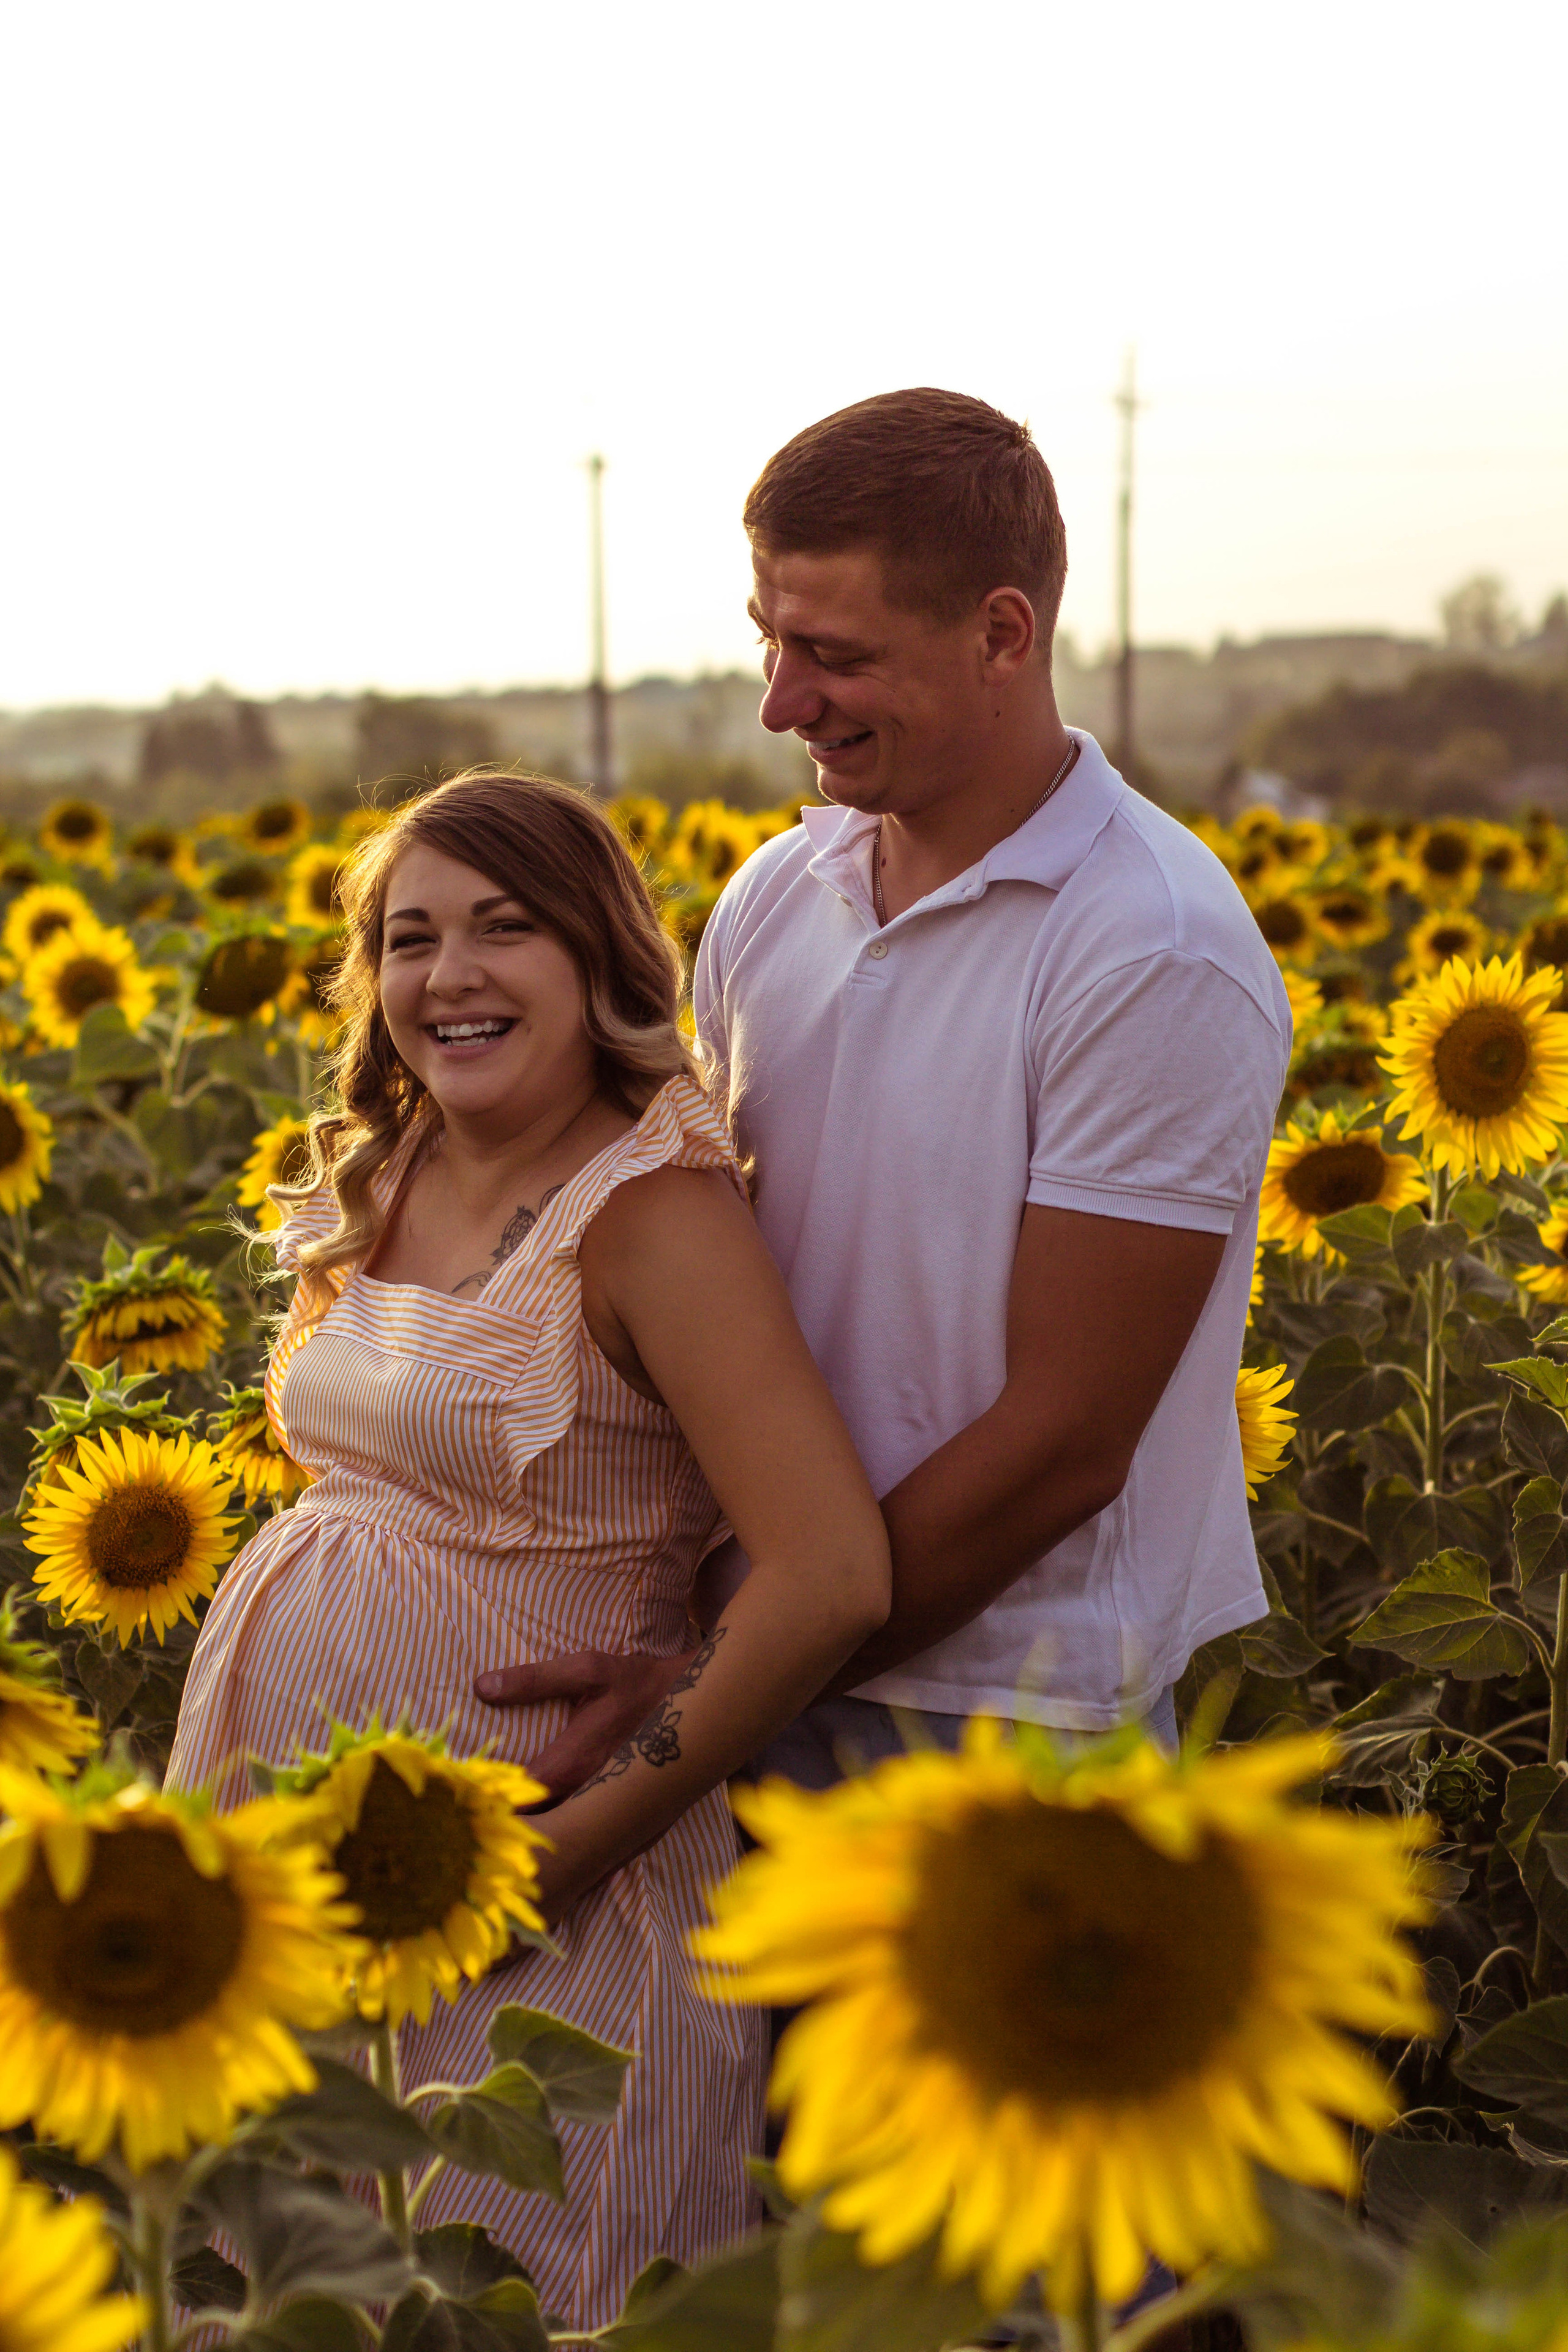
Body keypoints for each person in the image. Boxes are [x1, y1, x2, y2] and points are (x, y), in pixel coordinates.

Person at [475, 386, 1289, 1796]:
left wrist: (734, 1663)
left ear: (999, 635)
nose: (780, 701)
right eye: (769, 641)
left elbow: (1061, 1442)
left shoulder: (1149, 946)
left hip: (1009, 1723)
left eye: (831, 655)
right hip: (742, 1670)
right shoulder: (777, 895)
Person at [167, 772, 890, 2330]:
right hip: (301, 1864)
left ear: (597, 962)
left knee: (514, 2288)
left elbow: (829, 1571)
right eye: (411, 939)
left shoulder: (651, 1209)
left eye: (506, 929)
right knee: (298, 2288)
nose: (453, 976)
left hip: (543, 1895)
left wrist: (565, 1857)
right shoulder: (386, 1169)